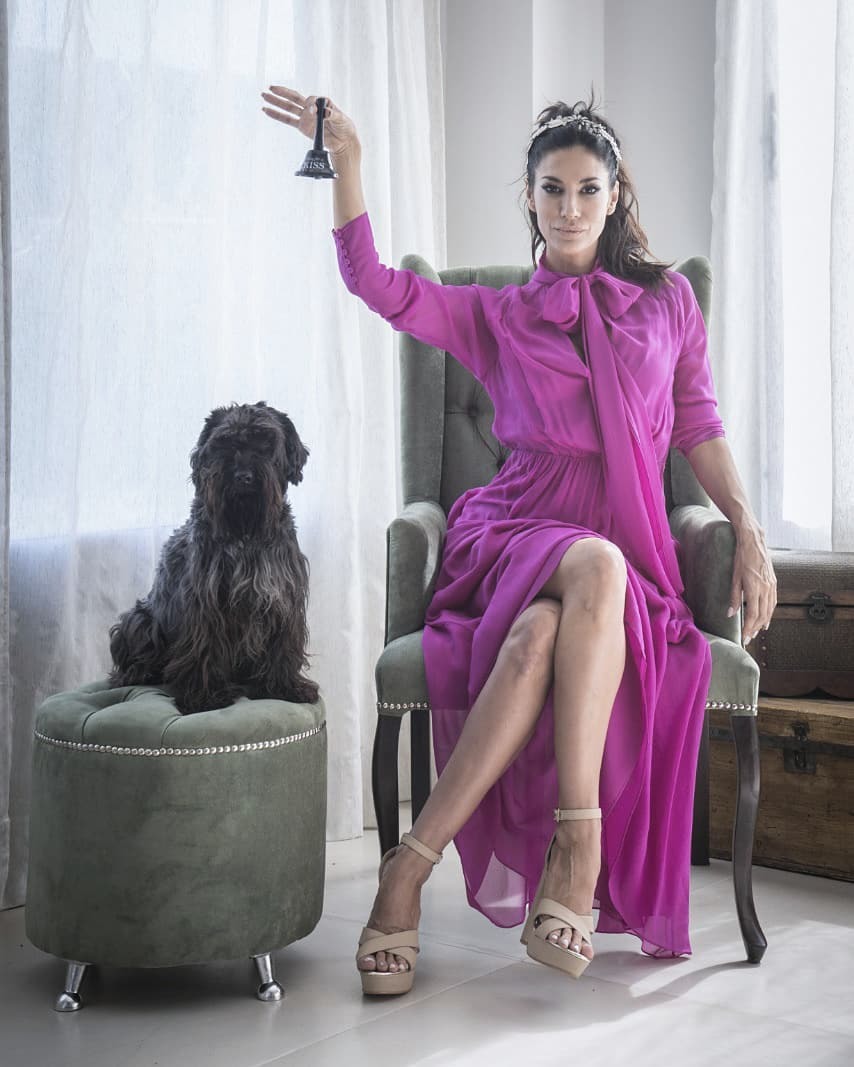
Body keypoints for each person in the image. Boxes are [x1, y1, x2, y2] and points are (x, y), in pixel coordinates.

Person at [261, 85, 778, 994]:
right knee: (589, 566)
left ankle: (407, 866)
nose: (570, 207)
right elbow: (375, 284)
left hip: (625, 547)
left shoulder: (668, 302)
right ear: (530, 198)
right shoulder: (495, 313)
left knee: (545, 632)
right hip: (515, 530)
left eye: (587, 189)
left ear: (614, 195)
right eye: (552, 189)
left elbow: (698, 423)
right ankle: (578, 847)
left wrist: (748, 527)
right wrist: (349, 163)